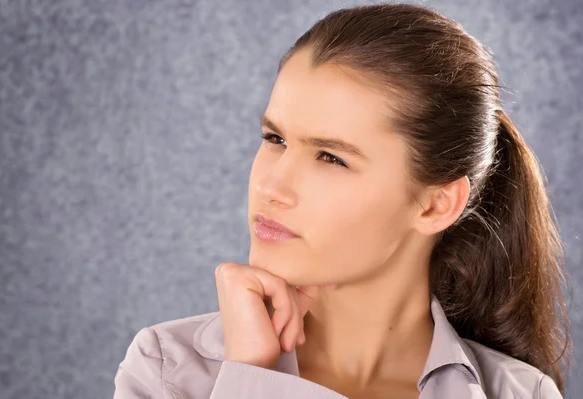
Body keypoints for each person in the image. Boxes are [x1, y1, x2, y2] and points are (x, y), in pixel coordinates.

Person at [113, 3, 571, 398]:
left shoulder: (520, 393)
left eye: (330, 157)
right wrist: (250, 376)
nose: (270, 187)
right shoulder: (167, 371)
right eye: (275, 138)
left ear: (435, 205)